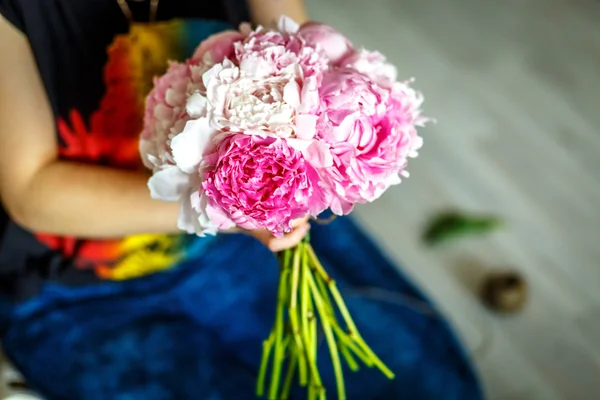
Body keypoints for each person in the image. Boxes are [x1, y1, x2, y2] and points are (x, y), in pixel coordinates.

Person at [0, 0, 483, 399]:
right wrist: (229, 207)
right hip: (76, 288)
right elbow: (32, 192)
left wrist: (340, 119)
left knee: (416, 384)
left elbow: (301, 44)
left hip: (224, 246)